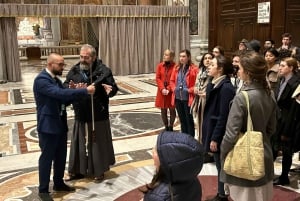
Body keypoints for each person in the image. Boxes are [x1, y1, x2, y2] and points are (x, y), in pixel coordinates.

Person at [33, 53, 95, 201]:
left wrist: (76, 91)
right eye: (60, 64)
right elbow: (59, 93)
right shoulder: (42, 80)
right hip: (48, 126)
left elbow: (63, 99)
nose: (63, 67)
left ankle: (59, 183)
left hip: (59, 124)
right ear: (50, 64)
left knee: (60, 157)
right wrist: (84, 91)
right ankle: (43, 190)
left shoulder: (55, 80)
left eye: (63, 64)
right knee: (47, 158)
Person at [220, 51, 277, 201]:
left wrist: (223, 153)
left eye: (239, 68)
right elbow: (271, 128)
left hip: (244, 160)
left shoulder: (242, 97)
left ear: (248, 72)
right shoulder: (269, 93)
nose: (237, 71)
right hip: (263, 155)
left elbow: (231, 134)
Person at [64, 44, 118, 182]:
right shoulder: (75, 70)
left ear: (93, 57)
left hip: (97, 113)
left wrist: (109, 90)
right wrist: (71, 88)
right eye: (81, 56)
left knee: (97, 142)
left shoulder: (103, 71)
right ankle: (77, 170)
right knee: (79, 142)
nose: (82, 59)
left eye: (86, 57)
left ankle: (98, 170)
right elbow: (66, 85)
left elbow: (113, 88)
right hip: (81, 111)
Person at [202, 55, 235, 201]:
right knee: (218, 164)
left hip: (219, 133)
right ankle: (221, 192)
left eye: (213, 64)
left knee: (221, 165)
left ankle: (223, 195)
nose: (208, 65)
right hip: (213, 128)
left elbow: (223, 116)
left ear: (220, 69)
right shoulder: (214, 83)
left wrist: (215, 138)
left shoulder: (226, 88)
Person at [140, 131, 204, 201]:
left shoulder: (158, 197)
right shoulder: (192, 180)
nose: (152, 151)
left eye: (157, 151)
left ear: (170, 162)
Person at [273, 57, 300, 186]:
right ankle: (270, 173)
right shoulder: (281, 79)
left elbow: (294, 110)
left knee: (287, 151)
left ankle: (284, 177)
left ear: (291, 68)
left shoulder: (296, 83)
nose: (280, 68)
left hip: (289, 121)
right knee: (274, 146)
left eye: (283, 66)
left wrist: (287, 130)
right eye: (280, 65)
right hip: (278, 119)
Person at [170, 49, 198, 136]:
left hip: (188, 98)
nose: (181, 58)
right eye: (180, 56)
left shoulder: (194, 69)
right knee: (182, 119)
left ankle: (190, 139)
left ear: (188, 57)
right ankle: (184, 138)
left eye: (184, 56)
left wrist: (188, 90)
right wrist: (174, 88)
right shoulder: (176, 68)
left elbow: (197, 84)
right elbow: (172, 81)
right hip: (178, 97)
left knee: (188, 119)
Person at [191, 52, 213, 142]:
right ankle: (200, 140)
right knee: (199, 121)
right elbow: (196, 83)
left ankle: (205, 142)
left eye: (209, 58)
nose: (207, 60)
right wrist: (195, 88)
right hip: (199, 99)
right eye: (205, 58)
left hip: (207, 100)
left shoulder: (212, 72)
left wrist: (207, 93)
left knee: (206, 122)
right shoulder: (201, 71)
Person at [155, 49, 176, 131]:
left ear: (171, 57)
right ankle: (166, 126)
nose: (164, 56)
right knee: (163, 109)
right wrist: (162, 88)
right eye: (164, 54)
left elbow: (174, 79)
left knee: (172, 109)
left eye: (166, 55)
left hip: (171, 92)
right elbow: (158, 78)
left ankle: (171, 126)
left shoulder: (175, 66)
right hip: (162, 92)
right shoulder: (160, 66)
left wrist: (168, 89)